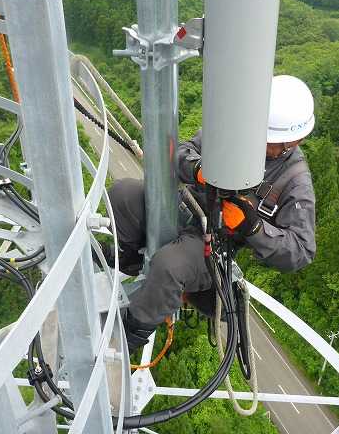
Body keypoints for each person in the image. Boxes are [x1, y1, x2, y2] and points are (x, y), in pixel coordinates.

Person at [107, 75, 317, 352]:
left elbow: (301, 251)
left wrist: (252, 228)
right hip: (184, 204)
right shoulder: (232, 130)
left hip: (212, 241)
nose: (262, 144)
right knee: (123, 194)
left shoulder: (294, 181)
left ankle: (131, 333)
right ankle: (130, 259)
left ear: (294, 141)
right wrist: (198, 169)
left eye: (271, 141)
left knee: (170, 265)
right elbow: (185, 150)